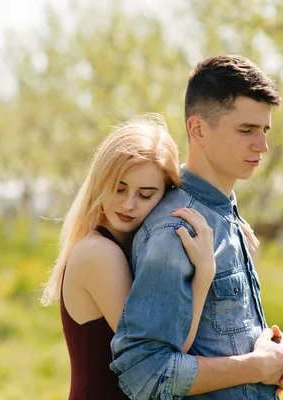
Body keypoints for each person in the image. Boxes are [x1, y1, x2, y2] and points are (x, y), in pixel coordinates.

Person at [110, 54, 283, 399]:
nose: (263, 146)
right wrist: (256, 367)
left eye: (264, 130)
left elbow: (220, 336)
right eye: (246, 130)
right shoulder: (177, 230)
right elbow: (145, 372)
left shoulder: (227, 215)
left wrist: (273, 356)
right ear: (198, 129)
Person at [41, 114, 220, 399]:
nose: (128, 204)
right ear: (101, 180)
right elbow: (163, 358)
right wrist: (204, 275)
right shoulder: (98, 253)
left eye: (146, 194)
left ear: (166, 195)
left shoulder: (134, 247)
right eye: (120, 188)